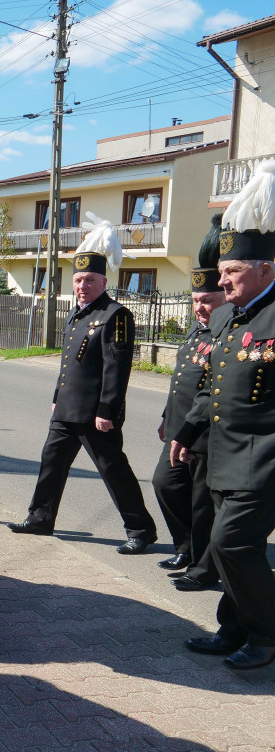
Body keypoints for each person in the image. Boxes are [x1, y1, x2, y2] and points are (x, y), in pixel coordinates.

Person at [174, 159, 275, 670]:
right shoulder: (235, 318)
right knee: (224, 545)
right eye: (222, 273)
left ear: (265, 269)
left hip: (264, 461)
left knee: (232, 543)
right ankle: (234, 626)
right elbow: (213, 384)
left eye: (233, 271)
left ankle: (265, 633)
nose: (225, 281)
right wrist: (189, 429)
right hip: (223, 455)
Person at [8, 215, 157, 554]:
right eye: (77, 280)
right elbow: (68, 366)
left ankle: (141, 529)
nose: (81, 286)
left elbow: (116, 368)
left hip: (95, 414)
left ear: (103, 281)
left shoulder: (116, 315)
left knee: (113, 470)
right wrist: (57, 397)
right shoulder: (77, 314)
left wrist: (108, 410)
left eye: (89, 280)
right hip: (66, 409)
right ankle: (40, 518)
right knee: (51, 463)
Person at [152, 216, 223, 591]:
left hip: (205, 433)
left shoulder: (228, 332)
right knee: (165, 484)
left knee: (202, 503)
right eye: (196, 300)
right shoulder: (197, 329)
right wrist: (167, 417)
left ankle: (204, 563)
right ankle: (185, 546)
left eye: (207, 300)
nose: (199, 307)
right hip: (179, 428)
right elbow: (180, 379)